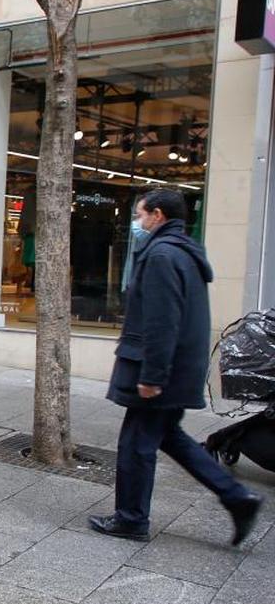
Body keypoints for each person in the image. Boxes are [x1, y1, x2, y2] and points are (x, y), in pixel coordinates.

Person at [90, 188, 262, 545]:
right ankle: (237, 497)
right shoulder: (184, 252)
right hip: (178, 370)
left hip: (160, 374)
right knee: (170, 438)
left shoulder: (162, 256)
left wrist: (152, 376)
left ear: (157, 215)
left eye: (140, 215)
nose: (137, 223)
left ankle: (131, 519)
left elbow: (162, 321)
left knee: (136, 445)